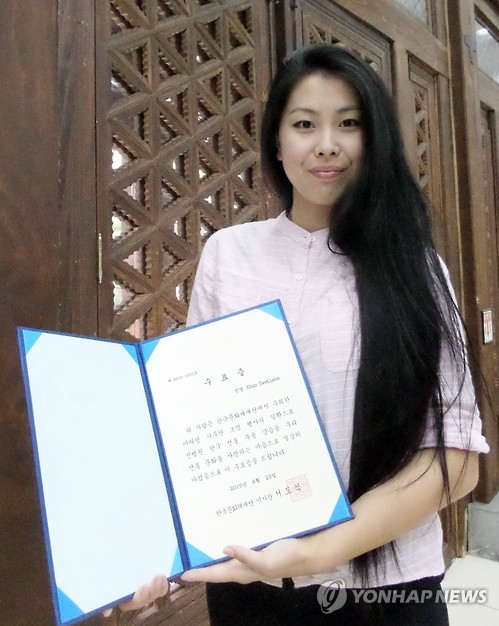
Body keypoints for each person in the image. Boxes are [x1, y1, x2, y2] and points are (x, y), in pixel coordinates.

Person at [114, 44, 489, 624]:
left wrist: (315, 552)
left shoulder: (414, 268)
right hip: (248, 586)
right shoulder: (228, 255)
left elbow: (456, 459)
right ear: (276, 141)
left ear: (375, 140)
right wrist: (149, 553)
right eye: (305, 124)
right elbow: (192, 425)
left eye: (349, 124)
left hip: (385, 591)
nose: (326, 144)